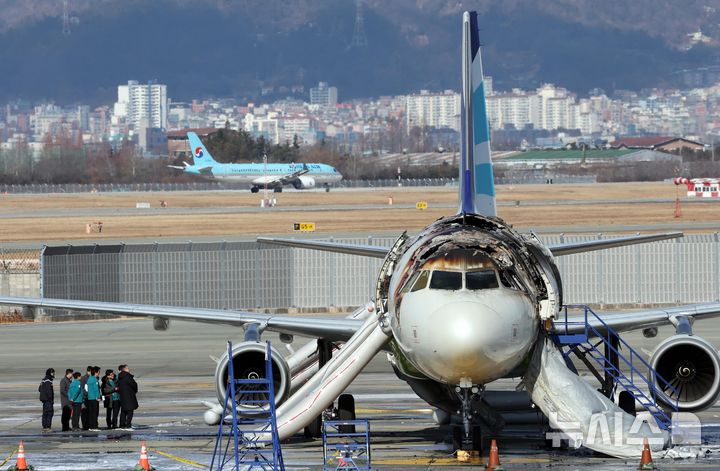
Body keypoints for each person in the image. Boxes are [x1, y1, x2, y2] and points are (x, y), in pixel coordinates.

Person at [117, 364, 138, 430]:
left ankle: (122, 425)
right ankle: (128, 425)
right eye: (127, 368)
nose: (129, 369)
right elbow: (134, 385)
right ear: (124, 369)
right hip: (129, 396)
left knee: (123, 411)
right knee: (130, 411)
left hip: (122, 396)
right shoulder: (127, 376)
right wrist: (134, 391)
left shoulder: (120, 377)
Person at [85, 367, 101, 431]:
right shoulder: (94, 379)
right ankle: (94, 427)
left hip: (90, 397)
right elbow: (96, 389)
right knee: (94, 412)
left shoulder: (89, 378)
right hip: (94, 398)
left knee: (91, 413)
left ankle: (91, 426)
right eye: (99, 371)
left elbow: (87, 388)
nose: (99, 373)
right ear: (96, 372)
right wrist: (98, 397)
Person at [80, 365, 92, 430]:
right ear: (88, 371)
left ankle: (89, 424)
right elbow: (82, 388)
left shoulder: (91, 377)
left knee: (89, 412)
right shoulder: (84, 378)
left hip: (90, 397)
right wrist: (86, 394)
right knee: (84, 412)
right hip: (85, 397)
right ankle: (85, 425)